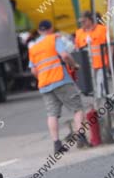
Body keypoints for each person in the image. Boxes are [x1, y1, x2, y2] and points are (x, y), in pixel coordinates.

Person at [28, 20, 89, 153]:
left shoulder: (33, 47)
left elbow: (33, 70)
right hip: (61, 79)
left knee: (52, 114)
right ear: (51, 29)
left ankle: (56, 144)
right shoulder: (54, 38)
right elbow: (65, 55)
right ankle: (81, 138)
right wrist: (74, 65)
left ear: (39, 31)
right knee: (77, 108)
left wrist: (43, 77)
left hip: (44, 83)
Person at [74, 11, 109, 100]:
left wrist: (109, 61)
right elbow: (77, 50)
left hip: (101, 64)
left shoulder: (102, 29)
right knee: (91, 89)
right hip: (87, 66)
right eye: (80, 22)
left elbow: (109, 46)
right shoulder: (79, 33)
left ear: (90, 20)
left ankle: (102, 103)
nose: (82, 24)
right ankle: (96, 105)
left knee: (100, 86)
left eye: (84, 21)